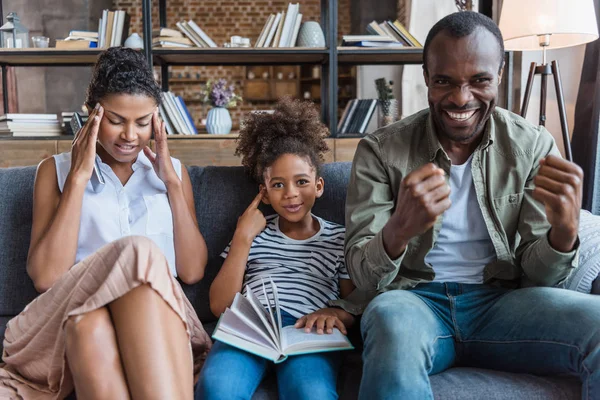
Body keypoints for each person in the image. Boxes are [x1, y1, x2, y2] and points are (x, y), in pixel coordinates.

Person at [344, 11, 600, 400]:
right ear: (427, 78)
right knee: (389, 320)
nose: (461, 98)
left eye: (479, 80)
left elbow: (541, 279)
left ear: (499, 74)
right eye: (444, 81)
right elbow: (364, 279)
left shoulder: (532, 145)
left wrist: (563, 236)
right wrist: (399, 229)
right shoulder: (380, 150)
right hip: (414, 301)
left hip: (504, 303)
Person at [0, 47, 211, 400]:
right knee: (134, 255)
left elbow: (191, 272)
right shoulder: (56, 172)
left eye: (143, 122)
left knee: (87, 327)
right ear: (91, 114)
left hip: (150, 316)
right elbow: (47, 278)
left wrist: (171, 183)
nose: (130, 135)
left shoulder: (173, 175)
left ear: (157, 120)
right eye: (116, 120)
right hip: (68, 310)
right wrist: (79, 179)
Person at [196, 98, 356, 400]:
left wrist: (335, 313)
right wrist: (242, 236)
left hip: (307, 331)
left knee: (313, 394)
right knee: (216, 389)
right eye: (278, 185)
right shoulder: (251, 233)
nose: (291, 194)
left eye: (302, 182)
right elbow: (219, 305)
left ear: (319, 186)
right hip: (250, 325)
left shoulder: (340, 238)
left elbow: (353, 305)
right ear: (265, 193)